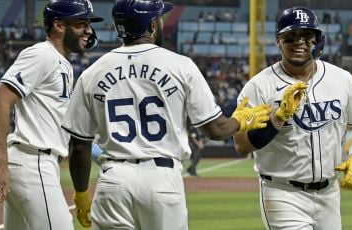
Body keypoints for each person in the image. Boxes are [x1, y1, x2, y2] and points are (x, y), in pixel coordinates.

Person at [61, 0, 272, 229]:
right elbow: (216, 130)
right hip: (161, 179)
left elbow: (80, 145)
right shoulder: (181, 65)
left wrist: (81, 195)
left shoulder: (92, 72)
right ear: (152, 25)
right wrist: (241, 120)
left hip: (113, 180)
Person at [233, 6, 352, 230]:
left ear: (318, 40)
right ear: (278, 41)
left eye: (307, 36)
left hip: (329, 194)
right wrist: (276, 119)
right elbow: (240, 146)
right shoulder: (259, 87)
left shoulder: (342, 79)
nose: (299, 42)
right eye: (290, 37)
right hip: (282, 193)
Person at [0, 0, 103, 229]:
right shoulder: (42, 54)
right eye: (81, 23)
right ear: (58, 25)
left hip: (34, 163)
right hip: (33, 162)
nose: (88, 30)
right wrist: (0, 161)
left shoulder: (62, 62)